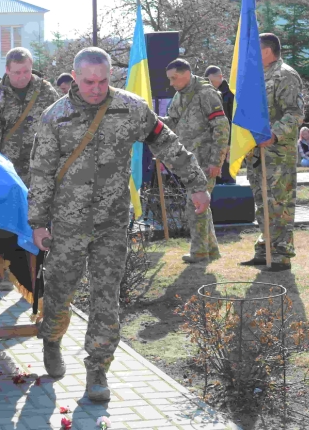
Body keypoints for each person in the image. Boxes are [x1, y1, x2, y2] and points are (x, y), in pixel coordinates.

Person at [29, 47, 209, 401]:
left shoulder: (130, 108)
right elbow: (41, 174)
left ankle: (98, 370)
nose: (96, 89)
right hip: (67, 225)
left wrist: (196, 182)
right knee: (61, 291)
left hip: (112, 222)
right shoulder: (55, 117)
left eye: (103, 81)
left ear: (111, 76)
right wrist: (38, 222)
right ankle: (51, 337)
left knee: (106, 296)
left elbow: (166, 142)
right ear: (75, 78)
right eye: (88, 82)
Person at [239, 33, 304, 272]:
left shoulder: (285, 74)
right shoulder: (257, 76)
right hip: (256, 154)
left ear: (266, 51)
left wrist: (274, 134)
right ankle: (264, 248)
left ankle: (281, 254)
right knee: (262, 202)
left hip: (277, 152)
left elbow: (295, 113)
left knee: (279, 203)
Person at [160, 59, 230, 263]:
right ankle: (211, 250)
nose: (172, 83)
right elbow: (171, 122)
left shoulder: (206, 93)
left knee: (195, 205)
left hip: (206, 159)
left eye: (175, 78)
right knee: (201, 205)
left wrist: (217, 161)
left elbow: (221, 127)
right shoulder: (179, 95)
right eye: (170, 79)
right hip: (189, 161)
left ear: (187, 73)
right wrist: (151, 121)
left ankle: (199, 252)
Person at [0, 47, 59, 185]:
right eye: (17, 72)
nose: (22, 76)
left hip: (42, 168)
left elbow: (59, 125)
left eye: (26, 71)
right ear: (7, 70)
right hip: (10, 171)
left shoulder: (46, 91)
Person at [205, 66, 235, 184]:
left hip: (226, 143)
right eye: (208, 81)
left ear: (220, 77)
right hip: (211, 143)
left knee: (227, 178)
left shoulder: (230, 94)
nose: (210, 84)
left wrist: (230, 144)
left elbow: (233, 121)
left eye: (212, 81)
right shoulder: (207, 94)